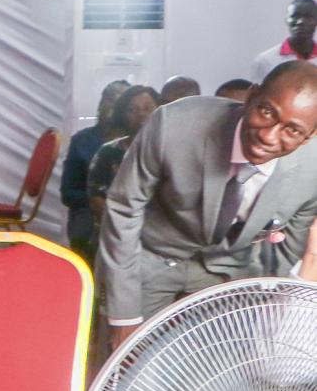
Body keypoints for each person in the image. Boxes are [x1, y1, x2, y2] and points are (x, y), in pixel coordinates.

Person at [99, 61, 317, 348]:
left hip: (232, 268)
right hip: (152, 254)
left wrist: (273, 319)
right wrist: (124, 317)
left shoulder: (312, 169)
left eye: (292, 130)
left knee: (227, 372)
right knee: (126, 362)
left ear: (310, 137)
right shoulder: (172, 125)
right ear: (251, 96)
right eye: (266, 112)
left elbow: (290, 252)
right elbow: (124, 208)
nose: (268, 135)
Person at [61, 81, 130, 263]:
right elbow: (67, 193)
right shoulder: (82, 141)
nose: (112, 107)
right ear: (101, 104)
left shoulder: (141, 142)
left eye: (119, 102)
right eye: (108, 99)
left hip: (132, 213)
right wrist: (98, 201)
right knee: (88, 237)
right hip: (88, 212)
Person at [86, 84, 161, 233]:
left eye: (148, 108)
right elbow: (97, 197)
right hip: (118, 229)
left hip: (162, 232)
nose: (141, 115)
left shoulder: (170, 150)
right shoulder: (108, 152)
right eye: (132, 110)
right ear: (122, 115)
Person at [250, 0, 317, 81]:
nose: (300, 21)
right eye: (295, 16)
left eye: (308, 17)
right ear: (286, 19)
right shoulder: (265, 60)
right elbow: (259, 94)